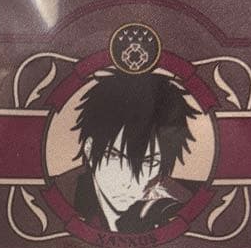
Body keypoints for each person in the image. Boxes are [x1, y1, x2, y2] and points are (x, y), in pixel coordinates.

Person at [70, 70, 199, 233]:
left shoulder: (186, 202)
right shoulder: (65, 195)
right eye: (114, 156)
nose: (128, 181)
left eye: (149, 161)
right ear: (89, 149)